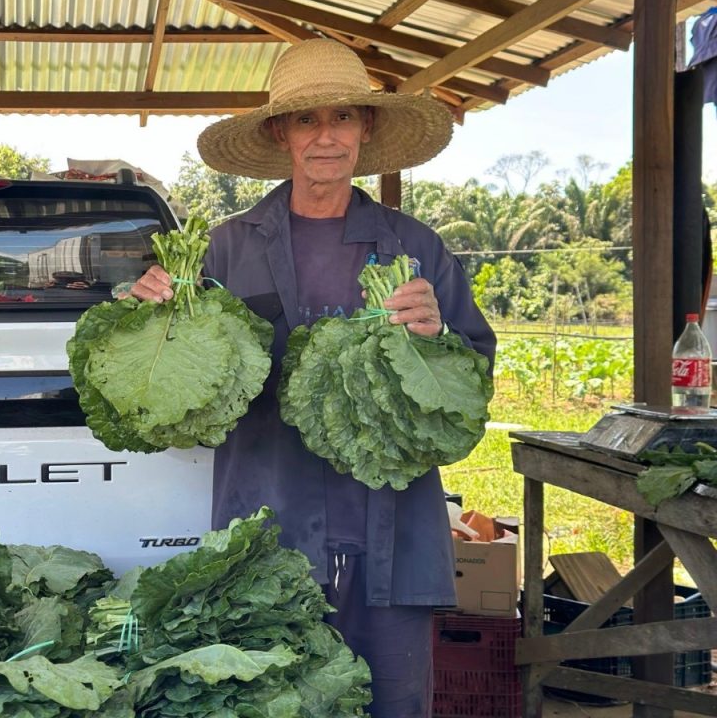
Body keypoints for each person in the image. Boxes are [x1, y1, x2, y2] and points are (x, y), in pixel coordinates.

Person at [130, 38, 496, 717]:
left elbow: (470, 394)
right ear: (280, 133)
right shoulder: (224, 249)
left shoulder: (416, 250)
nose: (327, 136)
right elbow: (173, 408)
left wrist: (436, 341)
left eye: (344, 118)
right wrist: (151, 323)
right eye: (307, 120)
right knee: (269, 704)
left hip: (391, 540)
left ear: (367, 129)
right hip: (267, 534)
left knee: (394, 705)